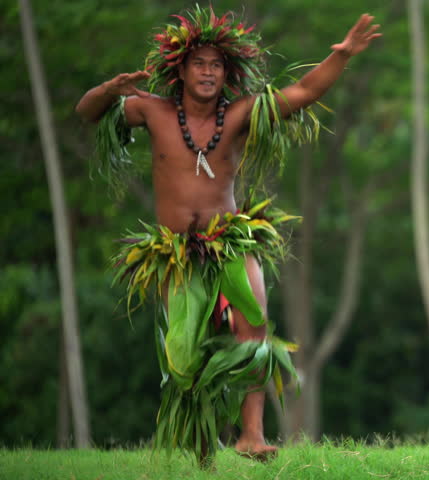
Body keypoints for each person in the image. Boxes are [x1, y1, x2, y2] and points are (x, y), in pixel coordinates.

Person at [76, 6, 381, 466]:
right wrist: (109, 90)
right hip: (176, 252)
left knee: (252, 323)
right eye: (199, 63)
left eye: (216, 65)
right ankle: (201, 443)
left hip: (229, 239)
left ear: (227, 73)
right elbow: (86, 112)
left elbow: (302, 92)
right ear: (180, 69)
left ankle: (252, 435)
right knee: (185, 353)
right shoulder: (153, 112)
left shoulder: (238, 114)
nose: (207, 72)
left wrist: (341, 54)